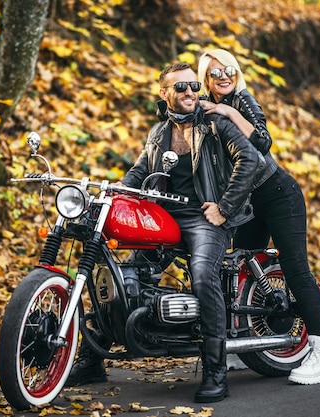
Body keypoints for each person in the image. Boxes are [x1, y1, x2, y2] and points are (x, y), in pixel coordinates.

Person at [66, 62, 260, 403]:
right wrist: (111, 192)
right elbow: (140, 171)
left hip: (206, 219)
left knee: (202, 275)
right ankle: (93, 358)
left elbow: (250, 158)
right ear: (164, 93)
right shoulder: (159, 132)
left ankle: (216, 372)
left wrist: (224, 207)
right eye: (181, 87)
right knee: (121, 276)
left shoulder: (215, 125)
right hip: (164, 220)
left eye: (193, 87)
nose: (189, 93)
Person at [196, 48, 320, 385]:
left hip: (278, 194)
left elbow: (263, 141)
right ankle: (239, 346)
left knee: (295, 269)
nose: (224, 76)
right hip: (249, 204)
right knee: (237, 269)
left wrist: (228, 111)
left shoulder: (242, 99)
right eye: (215, 73)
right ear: (205, 80)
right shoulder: (204, 109)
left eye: (228, 68)